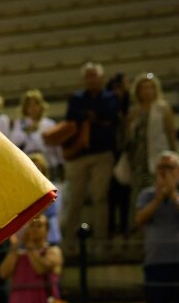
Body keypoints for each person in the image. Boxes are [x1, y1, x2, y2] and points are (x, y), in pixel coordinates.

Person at [61, 62, 119, 246]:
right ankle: (69, 242)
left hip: (102, 153)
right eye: (88, 76)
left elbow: (110, 114)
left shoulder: (110, 97)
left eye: (94, 75)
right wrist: (96, 117)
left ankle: (100, 241)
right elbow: (72, 116)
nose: (91, 79)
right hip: (79, 155)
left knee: (99, 197)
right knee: (75, 198)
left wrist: (89, 115)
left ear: (101, 78)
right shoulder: (76, 98)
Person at [124, 72, 177, 210]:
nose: (146, 91)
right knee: (139, 192)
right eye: (143, 88)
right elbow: (128, 137)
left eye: (149, 87)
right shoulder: (134, 111)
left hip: (158, 156)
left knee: (157, 188)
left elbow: (170, 133)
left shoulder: (163, 108)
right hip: (139, 160)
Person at [136, 149, 179, 303]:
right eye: (161, 167)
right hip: (155, 263)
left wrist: (173, 194)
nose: (164, 171)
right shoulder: (146, 195)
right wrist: (160, 197)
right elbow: (139, 220)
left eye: (170, 167)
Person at [0, 213, 63, 303]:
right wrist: (15, 247)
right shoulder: (18, 254)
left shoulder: (53, 251)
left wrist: (30, 246)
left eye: (39, 225)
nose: (34, 229)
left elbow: (40, 269)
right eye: (31, 226)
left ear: (47, 230)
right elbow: (3, 273)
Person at [9, 89, 62, 178]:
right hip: (28, 162)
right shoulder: (20, 123)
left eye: (36, 104)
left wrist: (60, 163)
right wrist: (26, 132)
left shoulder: (49, 123)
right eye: (29, 105)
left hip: (48, 162)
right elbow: (13, 143)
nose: (33, 108)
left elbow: (57, 146)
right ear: (25, 108)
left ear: (41, 106)